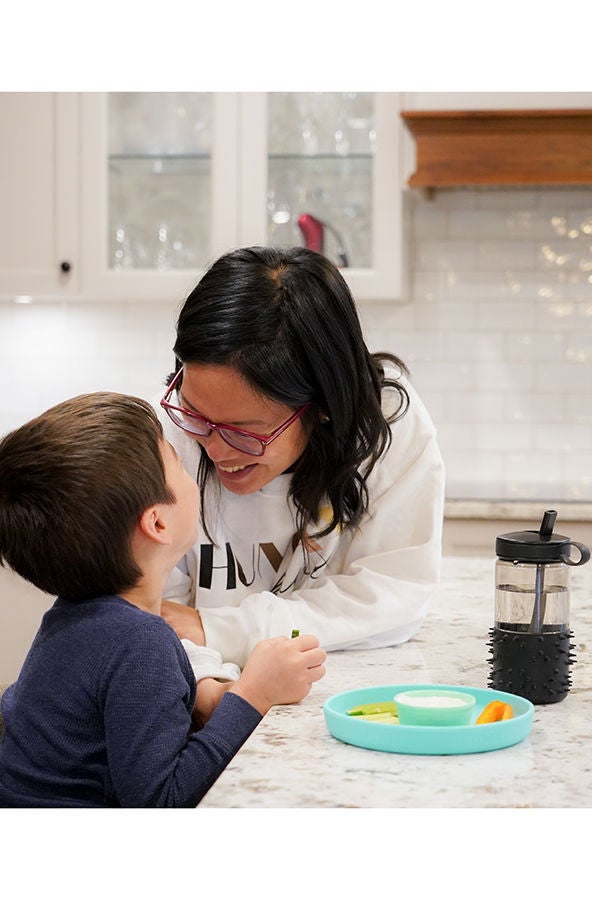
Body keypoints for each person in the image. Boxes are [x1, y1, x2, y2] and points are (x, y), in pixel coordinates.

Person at [0, 393, 326, 808]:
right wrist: (254, 695)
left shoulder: (69, 618)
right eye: (176, 461)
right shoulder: (140, 643)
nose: (195, 469)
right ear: (157, 522)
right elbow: (162, 802)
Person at [158, 245, 445, 677]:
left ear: (323, 405)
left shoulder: (389, 425)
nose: (215, 448)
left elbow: (391, 599)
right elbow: (156, 622)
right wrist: (217, 692)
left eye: (244, 431)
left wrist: (216, 628)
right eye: (197, 416)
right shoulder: (169, 436)